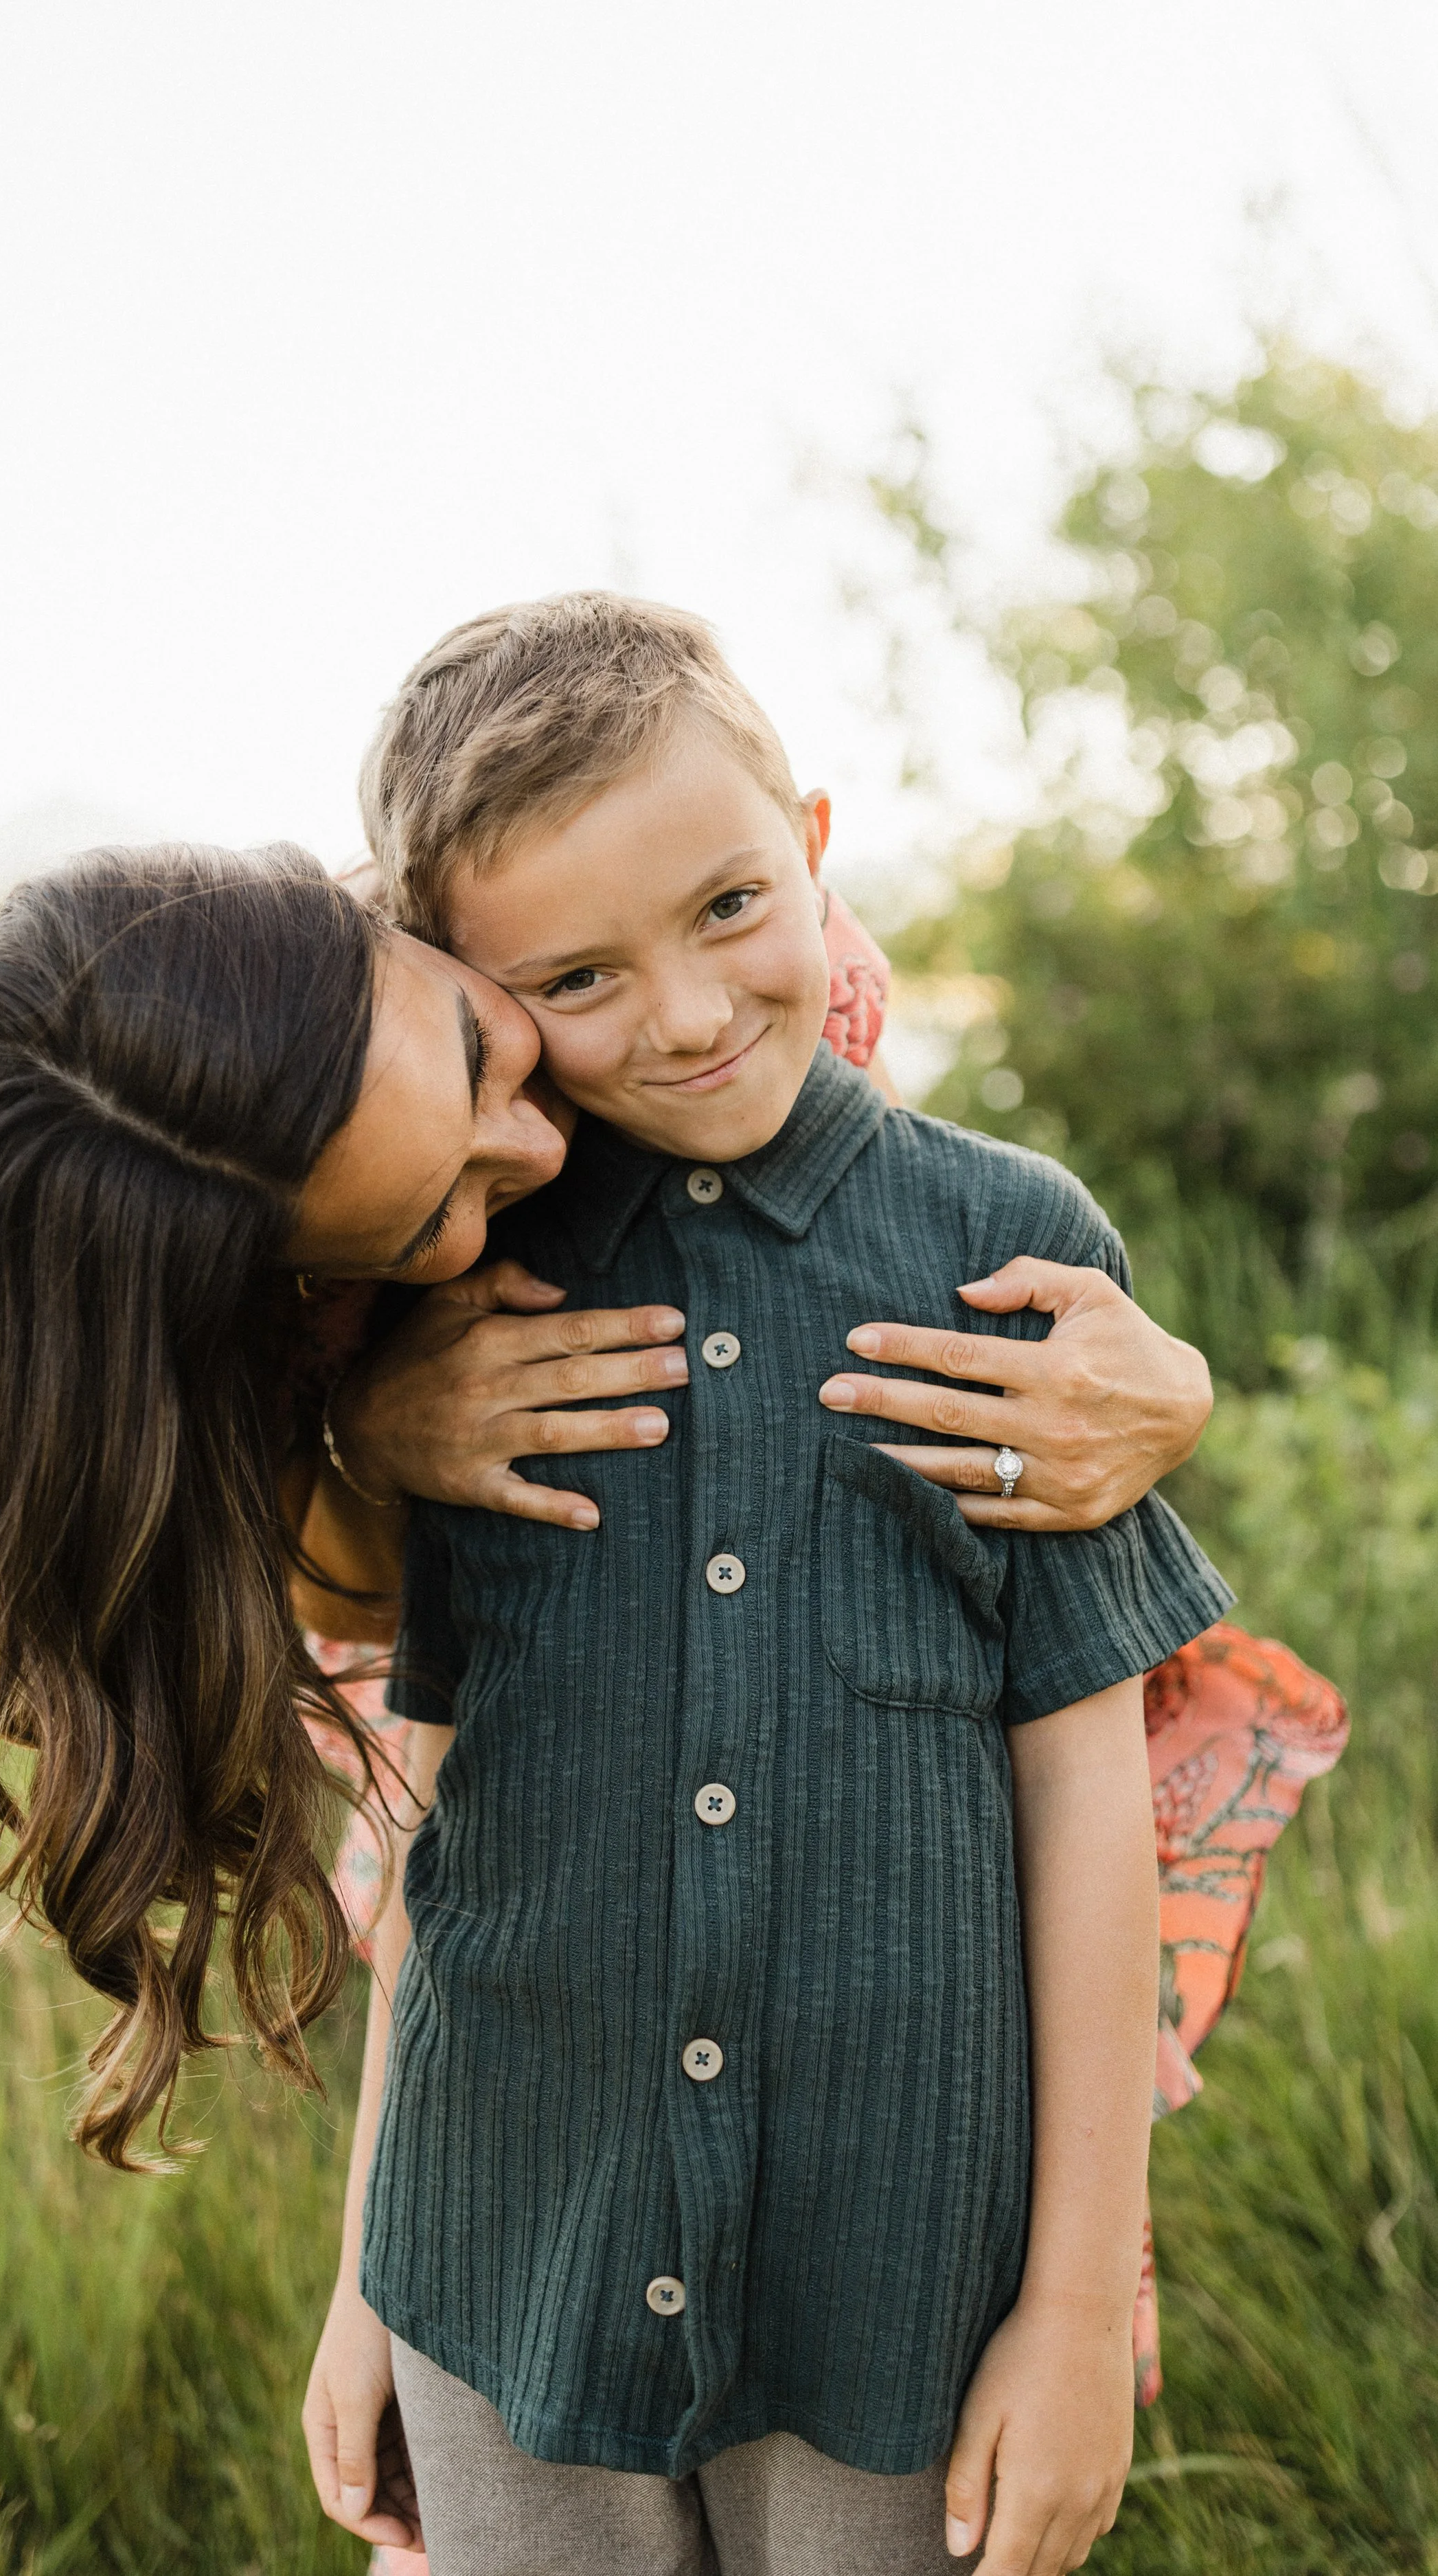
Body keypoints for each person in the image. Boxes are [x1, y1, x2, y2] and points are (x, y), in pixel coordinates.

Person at [296, 595, 1234, 2576]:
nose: (693, 1009)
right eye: (578, 972)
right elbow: (437, 1818)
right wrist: (373, 2272)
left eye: (729, 904)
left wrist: (1073, 2312)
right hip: (501, 2247)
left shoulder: (1002, 1243)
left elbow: (1084, 1804)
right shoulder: (472, 1292)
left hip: (895, 2272)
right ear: (479, 995)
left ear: (810, 844)